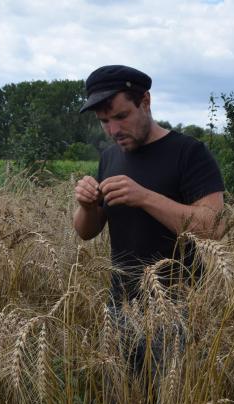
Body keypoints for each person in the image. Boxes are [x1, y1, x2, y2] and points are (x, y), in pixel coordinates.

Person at [72, 65, 225, 373]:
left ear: (145, 101)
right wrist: (86, 205)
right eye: (104, 122)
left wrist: (144, 197)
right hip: (119, 306)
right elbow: (87, 233)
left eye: (120, 116)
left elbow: (213, 228)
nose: (113, 130)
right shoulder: (110, 157)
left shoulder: (189, 153)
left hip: (179, 309)